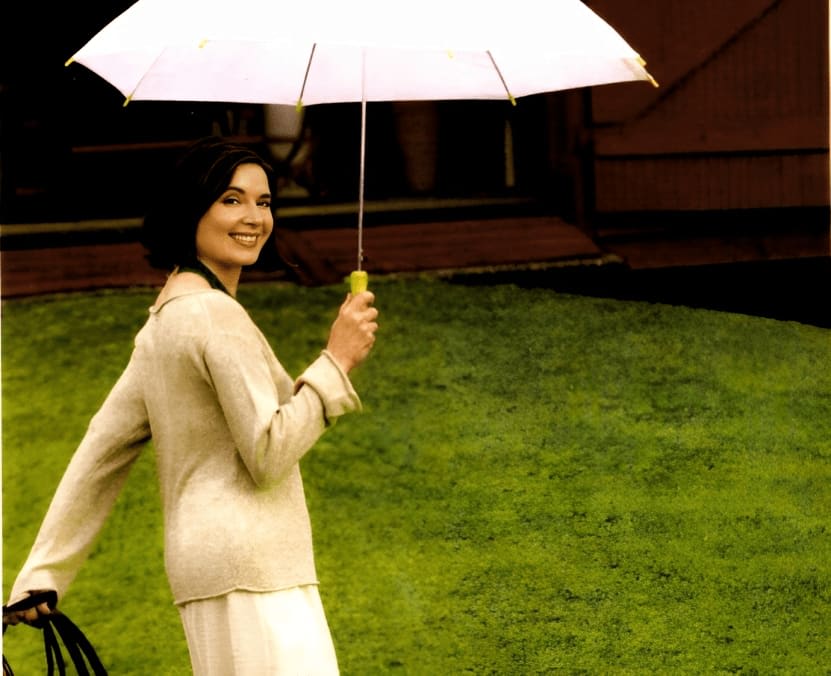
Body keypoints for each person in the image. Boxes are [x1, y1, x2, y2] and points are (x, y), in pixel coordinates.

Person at [4, 136, 379, 674]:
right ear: (191, 208)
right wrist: (335, 363)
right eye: (231, 199)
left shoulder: (165, 320)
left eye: (264, 201)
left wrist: (41, 574)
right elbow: (269, 452)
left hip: (206, 576)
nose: (253, 216)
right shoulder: (212, 316)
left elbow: (99, 453)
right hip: (255, 573)